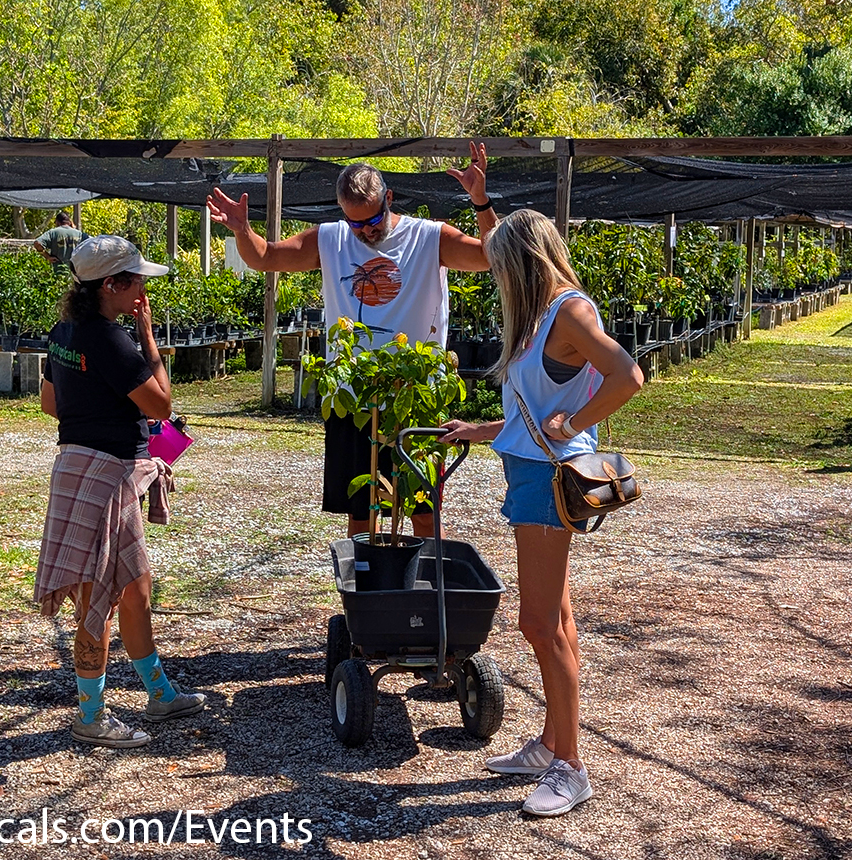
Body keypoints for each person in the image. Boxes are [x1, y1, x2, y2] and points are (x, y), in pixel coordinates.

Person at [439, 209, 643, 817]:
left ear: (522, 263)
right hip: (531, 474)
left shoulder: (569, 311)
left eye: (500, 266)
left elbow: (629, 375)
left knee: (538, 624)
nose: (497, 277)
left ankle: (571, 767)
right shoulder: (541, 317)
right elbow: (535, 410)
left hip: (551, 482)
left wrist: (575, 423)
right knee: (556, 620)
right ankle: (553, 744)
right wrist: (481, 429)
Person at [206, 144, 497, 538]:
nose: (366, 231)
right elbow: (265, 257)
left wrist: (480, 201)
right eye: (355, 223)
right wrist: (243, 231)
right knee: (361, 512)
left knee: (423, 511)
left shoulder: (428, 237)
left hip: (415, 397)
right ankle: (364, 577)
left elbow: (489, 256)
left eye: (373, 219)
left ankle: (428, 578)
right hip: (353, 398)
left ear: (389, 198)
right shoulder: (331, 239)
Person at [36, 234, 205, 748]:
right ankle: (90, 716)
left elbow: (50, 404)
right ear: (110, 285)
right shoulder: (112, 339)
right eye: (135, 281)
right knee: (97, 598)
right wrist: (148, 338)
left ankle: (160, 694)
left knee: (135, 589)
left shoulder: (65, 331)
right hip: (106, 474)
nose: (142, 291)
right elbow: (161, 405)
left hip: (79, 466)